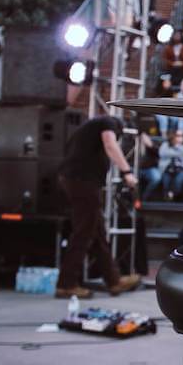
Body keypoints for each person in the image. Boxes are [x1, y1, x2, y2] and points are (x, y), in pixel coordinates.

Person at [56, 116, 141, 299]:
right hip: (83, 182)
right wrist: (127, 172)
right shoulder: (109, 123)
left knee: (97, 233)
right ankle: (66, 284)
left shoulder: (88, 129)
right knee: (84, 232)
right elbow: (110, 144)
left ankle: (113, 280)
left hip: (77, 181)